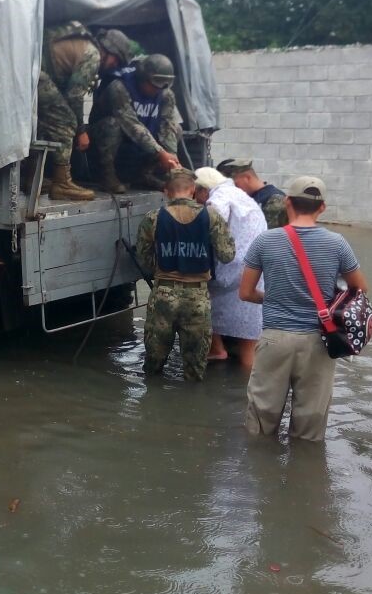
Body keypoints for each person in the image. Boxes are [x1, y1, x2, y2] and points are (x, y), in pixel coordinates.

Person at [238, 176, 369, 442]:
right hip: (319, 343)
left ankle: (263, 475)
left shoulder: (265, 241)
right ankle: (305, 477)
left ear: (288, 202)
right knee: (310, 426)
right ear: (322, 208)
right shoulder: (337, 243)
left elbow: (246, 293)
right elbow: (360, 289)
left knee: (261, 424)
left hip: (274, 340)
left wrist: (275, 298)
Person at [136, 168, 235, 381]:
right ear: (193, 190)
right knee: (195, 367)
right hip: (197, 297)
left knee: (153, 364)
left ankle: (151, 408)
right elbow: (227, 255)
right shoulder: (211, 216)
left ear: (166, 191)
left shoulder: (152, 218)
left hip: (162, 293)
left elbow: (144, 261)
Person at [37, 24, 132, 201]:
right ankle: (62, 183)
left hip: (30, 73)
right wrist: (81, 131)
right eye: (116, 60)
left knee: (43, 122)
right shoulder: (93, 55)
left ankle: (32, 178)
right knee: (65, 121)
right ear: (108, 50)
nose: (114, 66)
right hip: (36, 75)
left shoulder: (83, 45)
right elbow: (74, 95)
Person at [194, 166, 267, 368]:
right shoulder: (238, 194)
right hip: (254, 268)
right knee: (249, 337)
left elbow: (214, 215)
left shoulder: (219, 197)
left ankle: (217, 350)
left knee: (200, 298)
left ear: (202, 189)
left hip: (233, 267)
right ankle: (252, 388)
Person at [89, 53, 183, 194]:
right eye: (154, 85)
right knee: (112, 124)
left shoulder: (165, 93)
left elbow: (167, 124)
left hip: (140, 145)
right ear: (142, 78)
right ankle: (107, 176)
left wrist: (171, 156)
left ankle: (144, 174)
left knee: (177, 129)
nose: (158, 90)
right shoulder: (119, 87)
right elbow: (130, 124)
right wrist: (160, 152)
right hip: (112, 143)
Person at [216, 158, 288, 228]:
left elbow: (271, 236)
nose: (231, 188)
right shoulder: (248, 198)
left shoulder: (275, 199)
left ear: (247, 178)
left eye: (234, 183)